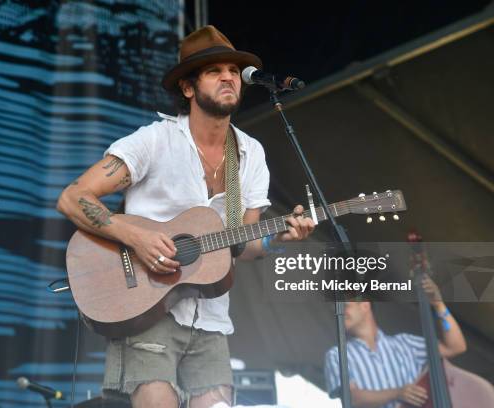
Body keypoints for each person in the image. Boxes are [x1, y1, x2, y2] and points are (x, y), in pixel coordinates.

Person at [57, 25, 314, 407]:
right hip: (145, 309)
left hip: (211, 320)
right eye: (214, 71)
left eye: (233, 70)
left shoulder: (251, 153)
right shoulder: (154, 141)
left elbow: (243, 245)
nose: (228, 76)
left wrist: (279, 238)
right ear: (188, 88)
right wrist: (136, 237)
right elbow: (73, 198)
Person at [324, 277, 467, 408]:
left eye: (344, 306)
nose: (338, 313)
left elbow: (455, 346)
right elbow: (352, 398)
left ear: (365, 305)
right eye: (334, 310)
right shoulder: (336, 355)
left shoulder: (405, 343)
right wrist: (397, 393)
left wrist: (438, 305)